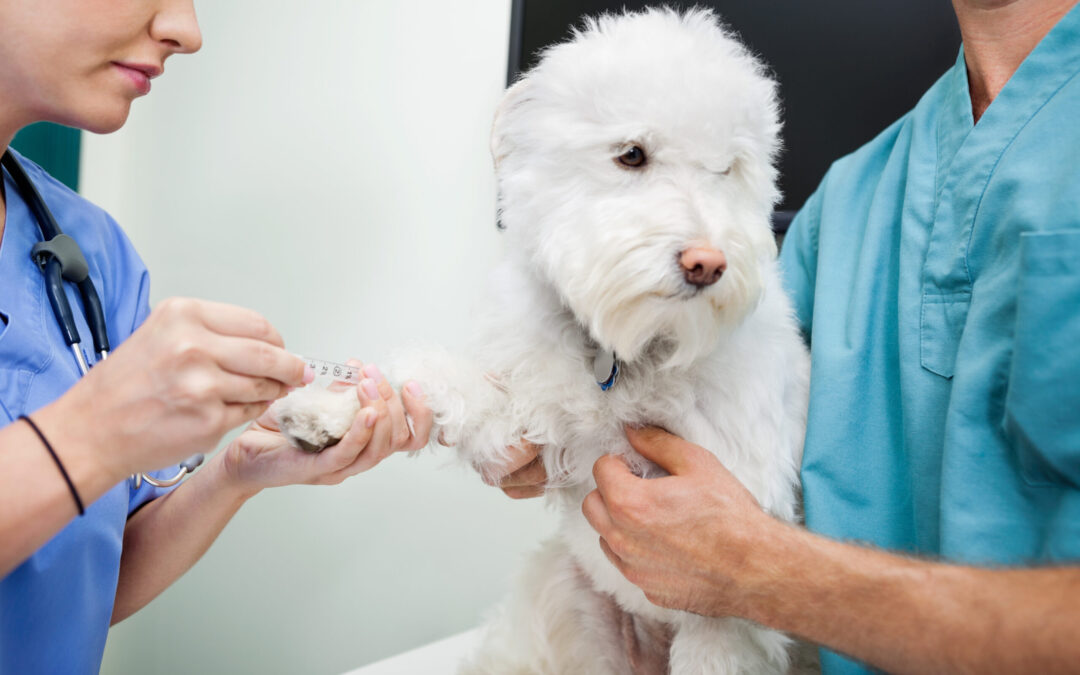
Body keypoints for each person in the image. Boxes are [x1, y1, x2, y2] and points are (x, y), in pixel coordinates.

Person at [499, 0, 1080, 672]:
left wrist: (766, 572)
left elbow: (748, 557)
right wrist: (550, 433)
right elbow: (698, 411)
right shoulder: (850, 200)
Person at [0, 2, 433, 672]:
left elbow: (70, 587)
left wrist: (236, 474)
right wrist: (96, 430)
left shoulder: (87, 249)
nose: (187, 32)